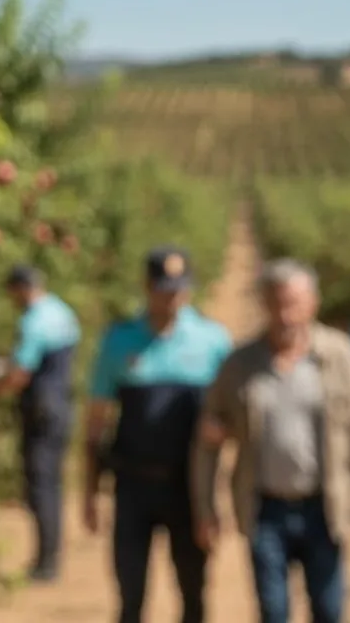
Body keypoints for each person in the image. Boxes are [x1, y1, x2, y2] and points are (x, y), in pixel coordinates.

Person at [192, 258, 350, 623]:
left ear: (312, 303)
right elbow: (208, 439)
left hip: (325, 507)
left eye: (294, 304)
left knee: (329, 611)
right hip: (264, 508)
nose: (286, 315)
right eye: (277, 304)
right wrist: (206, 509)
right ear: (265, 304)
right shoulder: (240, 365)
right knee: (273, 611)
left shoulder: (340, 356)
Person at [83, 246, 232, 623]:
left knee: (193, 592)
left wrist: (218, 498)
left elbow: (231, 418)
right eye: (164, 288)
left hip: (188, 488)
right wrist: (89, 490)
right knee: (131, 594)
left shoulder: (212, 341)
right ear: (147, 287)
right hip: (133, 485)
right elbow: (97, 419)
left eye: (179, 288)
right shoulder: (119, 341)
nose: (172, 297)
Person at [0, 264, 80, 582]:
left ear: (22, 288)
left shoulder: (33, 321)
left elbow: (20, 373)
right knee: (52, 484)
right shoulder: (62, 312)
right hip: (61, 407)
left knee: (41, 487)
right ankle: (50, 556)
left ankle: (46, 563)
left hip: (40, 412)